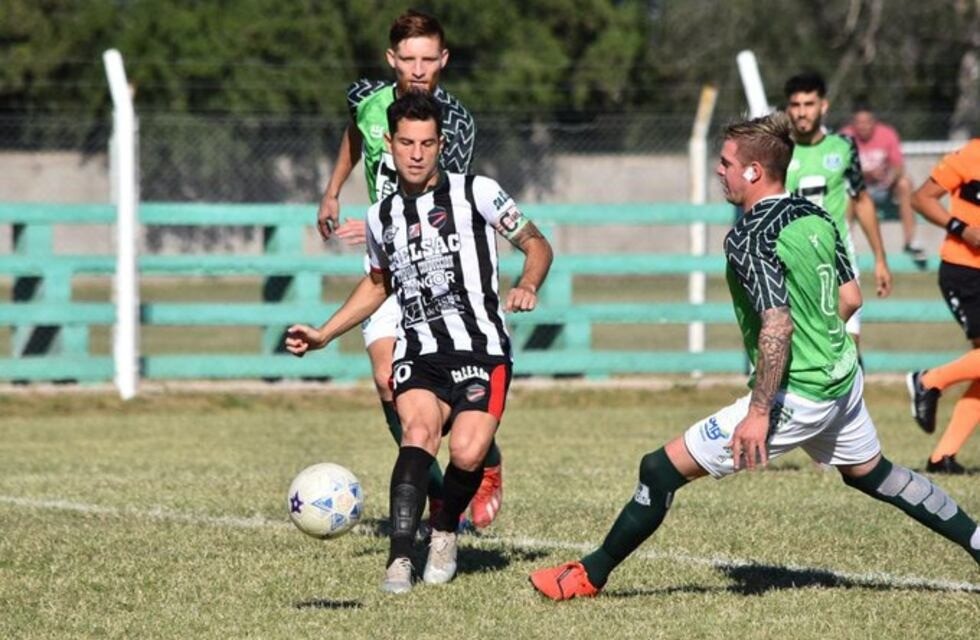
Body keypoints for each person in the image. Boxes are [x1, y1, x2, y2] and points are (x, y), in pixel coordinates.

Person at [529, 112, 980, 601]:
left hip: (800, 391)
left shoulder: (749, 236)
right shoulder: (818, 216)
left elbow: (777, 324)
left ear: (753, 171)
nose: (718, 171)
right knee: (874, 474)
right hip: (842, 378)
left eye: (725, 163)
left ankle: (587, 575)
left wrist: (759, 413)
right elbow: (851, 299)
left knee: (658, 470)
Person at [288, 92, 553, 593]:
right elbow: (378, 283)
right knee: (418, 433)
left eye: (427, 143)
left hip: (482, 350)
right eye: (406, 143)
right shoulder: (379, 217)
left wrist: (528, 283)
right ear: (388, 143)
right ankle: (400, 560)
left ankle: (446, 531)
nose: (416, 153)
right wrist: (325, 333)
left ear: (441, 144)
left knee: (471, 452)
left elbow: (537, 243)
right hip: (420, 351)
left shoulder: (479, 192)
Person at [315, 10, 506, 529]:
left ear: (443, 60)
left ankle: (485, 462)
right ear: (391, 59)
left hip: (437, 262)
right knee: (385, 380)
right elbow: (357, 134)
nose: (419, 70)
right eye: (409, 59)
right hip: (385, 256)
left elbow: (449, 196)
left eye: (429, 59)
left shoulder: (454, 121)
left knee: (449, 388)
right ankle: (439, 497)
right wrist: (334, 190)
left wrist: (389, 217)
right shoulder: (366, 99)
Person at [783, 72, 892, 348]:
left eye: (809, 104)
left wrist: (880, 258)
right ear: (788, 109)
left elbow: (862, 199)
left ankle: (853, 390)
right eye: (795, 105)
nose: (801, 113)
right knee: (796, 347)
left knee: (846, 347)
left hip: (836, 258)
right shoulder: (778, 150)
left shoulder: (843, 147)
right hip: (792, 261)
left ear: (823, 106)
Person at [906, 138, 980, 474]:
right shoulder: (970, 154)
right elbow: (920, 198)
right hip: (964, 272)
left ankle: (942, 457)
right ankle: (928, 381)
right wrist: (962, 229)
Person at [840, 102, 927, 268]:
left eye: (867, 122)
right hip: (857, 191)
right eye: (859, 122)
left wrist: (890, 177)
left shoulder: (887, 134)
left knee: (905, 183)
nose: (863, 127)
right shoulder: (844, 136)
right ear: (853, 123)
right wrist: (865, 174)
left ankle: (911, 242)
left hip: (885, 189)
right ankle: (845, 245)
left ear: (874, 122)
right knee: (844, 190)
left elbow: (899, 166)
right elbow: (839, 170)